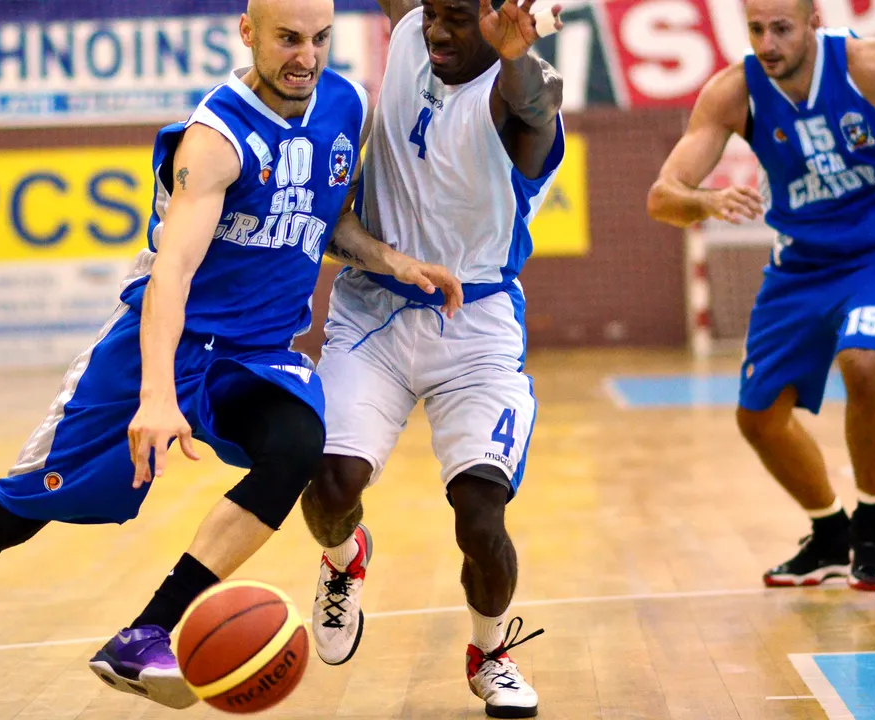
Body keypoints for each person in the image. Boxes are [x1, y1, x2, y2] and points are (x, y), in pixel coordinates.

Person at [0, 1, 464, 718]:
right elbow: (170, 273)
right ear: (248, 34)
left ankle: (149, 631)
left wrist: (394, 260)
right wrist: (158, 397)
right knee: (10, 517)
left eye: (320, 38)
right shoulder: (215, 139)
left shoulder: (345, 104)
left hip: (254, 355)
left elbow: (331, 217)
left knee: (297, 446)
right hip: (156, 348)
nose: (306, 56)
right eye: (288, 39)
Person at [299, 1, 566, 717]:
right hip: (372, 308)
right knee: (326, 488)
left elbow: (534, 104)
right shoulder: (417, 24)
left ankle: (491, 653)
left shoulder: (524, 95)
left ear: (497, 16)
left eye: (456, 19)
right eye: (431, 16)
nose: (436, 33)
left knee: (480, 516)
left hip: (473, 324)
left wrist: (513, 53)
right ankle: (343, 559)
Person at [647, 0, 875, 592]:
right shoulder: (732, 92)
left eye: (781, 28)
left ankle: (872, 523)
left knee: (863, 360)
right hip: (801, 264)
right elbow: (662, 196)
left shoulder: (871, 66)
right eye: (756, 29)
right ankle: (831, 535)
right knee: (758, 419)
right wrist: (706, 200)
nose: (768, 43)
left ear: (813, 23)